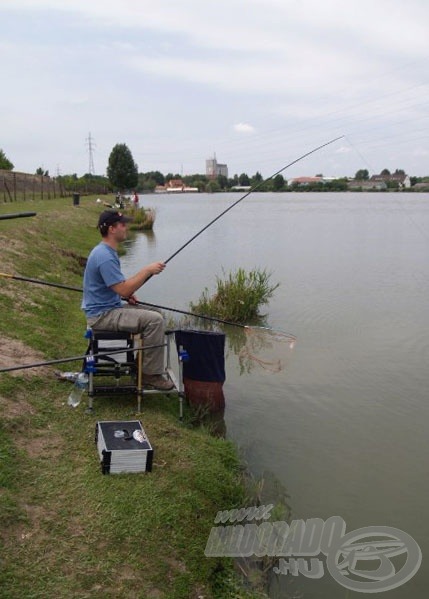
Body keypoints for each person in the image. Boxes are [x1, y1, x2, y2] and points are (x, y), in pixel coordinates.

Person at [81, 209, 173, 391]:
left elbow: (117, 287)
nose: (127, 228)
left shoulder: (106, 252)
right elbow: (124, 287)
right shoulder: (104, 256)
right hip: (102, 316)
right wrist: (147, 270)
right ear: (111, 229)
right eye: (123, 224)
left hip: (109, 308)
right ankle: (150, 375)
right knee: (155, 321)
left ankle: (142, 364)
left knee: (157, 314)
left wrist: (124, 295)